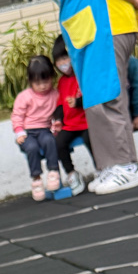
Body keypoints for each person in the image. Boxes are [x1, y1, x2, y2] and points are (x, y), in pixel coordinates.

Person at [32, 0, 138, 195]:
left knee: (106, 98)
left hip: (105, 31)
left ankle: (124, 166)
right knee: (98, 100)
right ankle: (111, 165)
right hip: (93, 35)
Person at [11, 55, 61, 201]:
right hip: (28, 132)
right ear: (30, 81)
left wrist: (56, 124)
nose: (42, 86)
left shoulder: (55, 94)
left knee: (49, 141)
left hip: (44, 130)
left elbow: (58, 112)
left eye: (46, 81)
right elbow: (17, 115)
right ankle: (36, 179)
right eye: (37, 83)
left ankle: (53, 172)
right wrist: (19, 132)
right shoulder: (24, 96)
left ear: (52, 77)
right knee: (32, 148)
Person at [50, 36, 89, 194]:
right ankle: (72, 173)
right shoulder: (61, 82)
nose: (63, 64)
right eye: (59, 61)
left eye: (65, 58)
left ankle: (101, 168)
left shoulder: (82, 75)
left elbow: (91, 97)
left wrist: (78, 102)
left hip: (86, 122)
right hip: (70, 125)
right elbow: (60, 104)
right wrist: (58, 120)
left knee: (91, 140)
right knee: (59, 143)